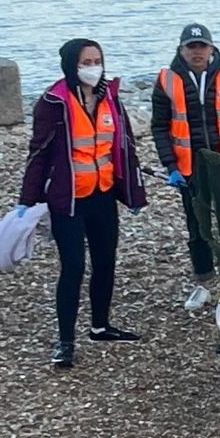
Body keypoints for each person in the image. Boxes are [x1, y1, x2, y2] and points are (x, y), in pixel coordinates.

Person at [18, 38, 147, 368]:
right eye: (86, 62)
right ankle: (65, 341)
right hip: (69, 198)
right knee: (73, 266)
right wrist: (28, 199)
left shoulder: (111, 98)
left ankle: (100, 326)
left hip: (102, 194)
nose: (93, 67)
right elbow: (39, 152)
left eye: (97, 60)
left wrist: (133, 191)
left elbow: (124, 146)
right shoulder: (52, 103)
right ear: (71, 66)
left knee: (106, 261)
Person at [150, 22, 220, 307]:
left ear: (211, 48)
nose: (197, 52)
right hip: (190, 167)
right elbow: (159, 127)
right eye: (191, 47)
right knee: (198, 226)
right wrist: (170, 166)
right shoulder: (167, 80)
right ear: (181, 49)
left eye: (201, 46)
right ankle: (203, 283)